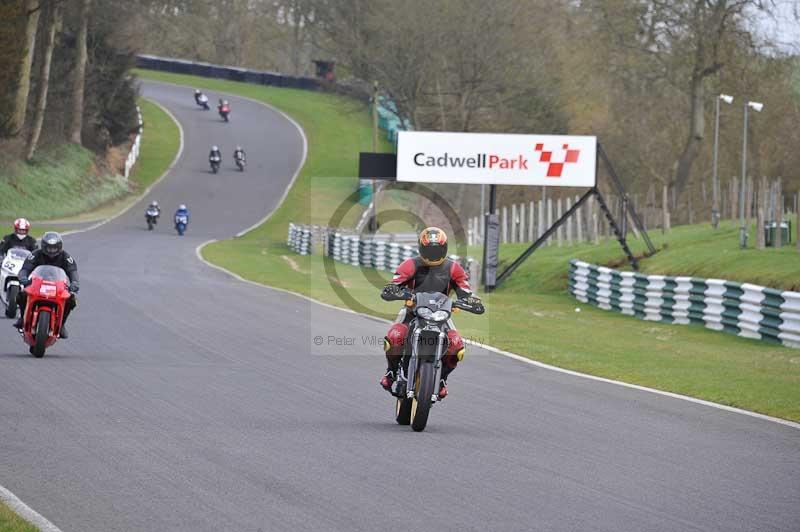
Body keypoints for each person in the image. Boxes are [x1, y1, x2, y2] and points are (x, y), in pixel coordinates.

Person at [378, 227, 482, 398]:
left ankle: (441, 379)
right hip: (412, 311)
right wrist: (396, 291)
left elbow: (465, 290)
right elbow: (394, 284)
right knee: (395, 336)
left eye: (437, 250)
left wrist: (470, 302)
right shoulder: (410, 264)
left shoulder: (454, 269)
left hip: (442, 313)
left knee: (457, 346)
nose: (433, 254)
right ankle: (391, 372)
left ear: (444, 248)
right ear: (421, 248)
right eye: (429, 250)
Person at [13, 232, 78, 339]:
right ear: (43, 246)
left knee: (72, 300)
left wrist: (75, 283)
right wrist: (23, 278)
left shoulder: (66, 257)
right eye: (49, 248)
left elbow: (73, 272)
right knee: (22, 294)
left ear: (59, 247)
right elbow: (25, 269)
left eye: (54, 248)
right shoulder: (35, 254)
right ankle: (22, 318)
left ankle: (61, 325)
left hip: (58, 286)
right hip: (38, 284)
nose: (51, 251)